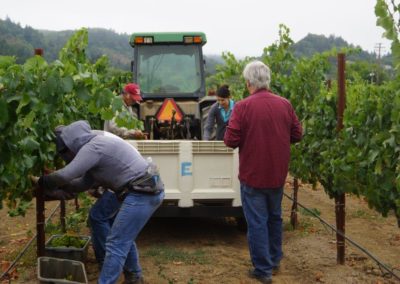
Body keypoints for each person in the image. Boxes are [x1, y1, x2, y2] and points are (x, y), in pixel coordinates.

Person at [38, 120, 165, 284]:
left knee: (116, 242)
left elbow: (64, 175)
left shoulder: (93, 147)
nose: (65, 153)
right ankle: (134, 278)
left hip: (141, 193)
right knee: (123, 237)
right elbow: (83, 184)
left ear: (72, 143)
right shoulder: (95, 146)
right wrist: (62, 187)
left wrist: (43, 182)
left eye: (65, 149)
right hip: (141, 190)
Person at [224, 61, 302, 284]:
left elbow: (230, 140)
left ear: (249, 83)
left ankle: (262, 270)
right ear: (268, 80)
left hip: (253, 175)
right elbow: (297, 134)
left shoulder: (242, 107)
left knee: (257, 221)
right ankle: (275, 260)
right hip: (277, 174)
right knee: (275, 217)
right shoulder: (284, 104)